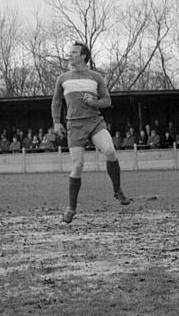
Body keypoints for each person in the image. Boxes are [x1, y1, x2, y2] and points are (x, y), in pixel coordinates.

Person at [52, 42, 131, 224]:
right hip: (74, 125)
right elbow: (56, 103)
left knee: (110, 151)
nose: (69, 55)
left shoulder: (96, 77)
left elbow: (107, 100)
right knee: (78, 165)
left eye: (73, 53)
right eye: (69, 52)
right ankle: (71, 208)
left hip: (94, 122)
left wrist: (94, 102)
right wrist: (57, 123)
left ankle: (117, 190)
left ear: (83, 56)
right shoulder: (63, 78)